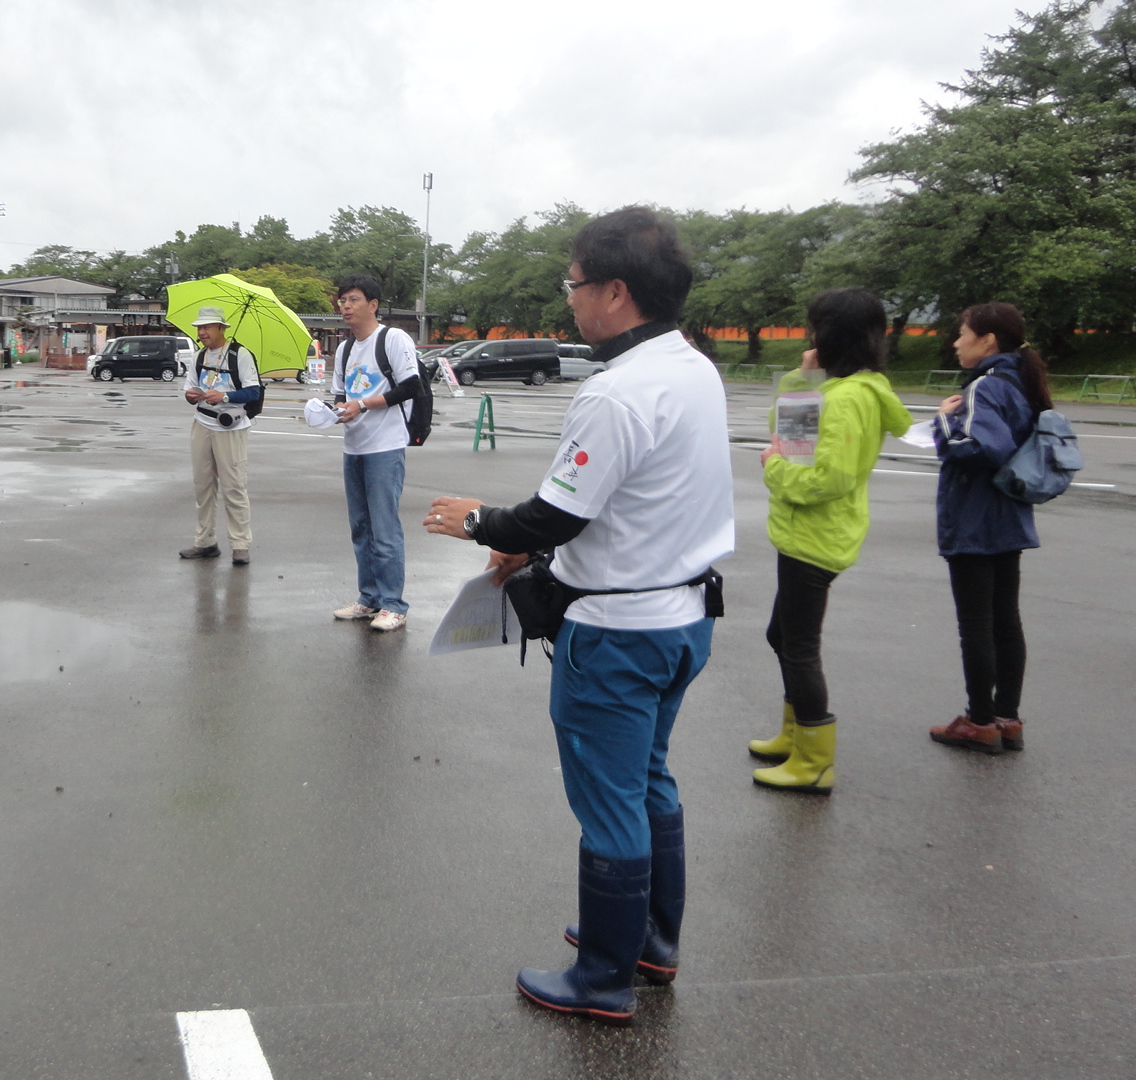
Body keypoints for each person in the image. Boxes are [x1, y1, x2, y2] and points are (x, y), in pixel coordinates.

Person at [425, 207, 732, 1025]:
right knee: (649, 781)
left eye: (576, 285)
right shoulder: (694, 368)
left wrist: (481, 522)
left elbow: (555, 515)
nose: (570, 300)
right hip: (685, 616)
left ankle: (602, 975)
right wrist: (528, 548)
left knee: (609, 801)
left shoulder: (616, 392)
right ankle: (649, 942)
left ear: (616, 291)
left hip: (617, 634)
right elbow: (627, 502)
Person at [748, 289, 914, 792]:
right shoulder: (847, 389)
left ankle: (814, 760)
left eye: (815, 327)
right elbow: (795, 440)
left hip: (814, 537)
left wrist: (772, 468)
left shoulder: (847, 401)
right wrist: (804, 378)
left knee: (798, 646)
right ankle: (795, 736)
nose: (809, 335)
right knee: (783, 637)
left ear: (830, 334)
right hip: (806, 533)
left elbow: (822, 477)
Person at [926, 302, 1049, 755]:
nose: (956, 341)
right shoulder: (1021, 381)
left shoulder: (985, 386)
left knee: (975, 623)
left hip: (975, 519)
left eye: (962, 333)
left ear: (987, 340)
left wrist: (942, 420)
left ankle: (979, 721)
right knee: (1005, 620)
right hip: (1010, 515)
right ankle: (1007, 717)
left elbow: (981, 447)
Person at [330, 274, 423, 632]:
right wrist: (331, 411)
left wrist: (363, 405)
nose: (345, 306)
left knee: (384, 528)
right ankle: (368, 598)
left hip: (385, 446)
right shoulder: (344, 348)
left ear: (372, 305)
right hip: (353, 446)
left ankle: (394, 604)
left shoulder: (393, 338)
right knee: (360, 526)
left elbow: (411, 386)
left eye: (353, 299)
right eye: (341, 301)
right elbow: (341, 394)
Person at [178, 306, 262, 565]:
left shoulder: (240, 355)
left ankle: (240, 544)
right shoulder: (199, 356)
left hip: (230, 428)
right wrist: (191, 395)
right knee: (202, 485)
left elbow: (253, 392)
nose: (202, 332)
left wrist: (224, 396)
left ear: (221, 328)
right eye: (199, 328)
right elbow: (189, 388)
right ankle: (205, 542)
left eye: (207, 327)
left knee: (234, 486)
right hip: (202, 424)